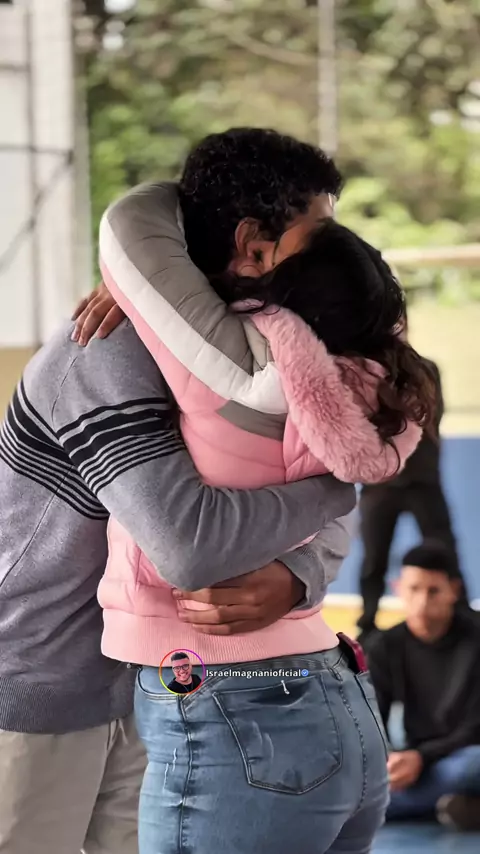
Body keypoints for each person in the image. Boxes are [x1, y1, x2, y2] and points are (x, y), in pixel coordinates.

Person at [75, 127, 436, 854]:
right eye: (321, 232)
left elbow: (132, 224)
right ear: (252, 245)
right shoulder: (371, 376)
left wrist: (305, 560)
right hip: (324, 691)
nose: (338, 244)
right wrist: (323, 520)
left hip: (225, 700)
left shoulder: (248, 360)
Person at [0, 130, 360, 854]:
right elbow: (189, 545)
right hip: (37, 694)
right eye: (315, 239)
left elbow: (299, 471)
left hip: (164, 688)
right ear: (252, 246)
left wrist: (298, 573)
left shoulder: (266, 349)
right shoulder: (106, 347)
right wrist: (340, 489)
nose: (333, 260)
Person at [356, 315, 466, 641]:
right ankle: (367, 625)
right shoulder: (365, 374)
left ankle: (462, 617)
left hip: (422, 480)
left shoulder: (426, 370)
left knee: (445, 552)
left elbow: (423, 414)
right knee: (373, 558)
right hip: (380, 483)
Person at [368, 541, 480, 831]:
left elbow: (475, 727)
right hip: (417, 762)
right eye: (414, 589)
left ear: (453, 590)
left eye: (433, 591)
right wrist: (390, 760)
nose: (422, 601)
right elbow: (371, 719)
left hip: (463, 754)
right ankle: (458, 806)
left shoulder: (476, 639)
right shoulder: (385, 645)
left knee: (470, 767)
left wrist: (422, 757)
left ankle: (388, 807)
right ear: (398, 588)